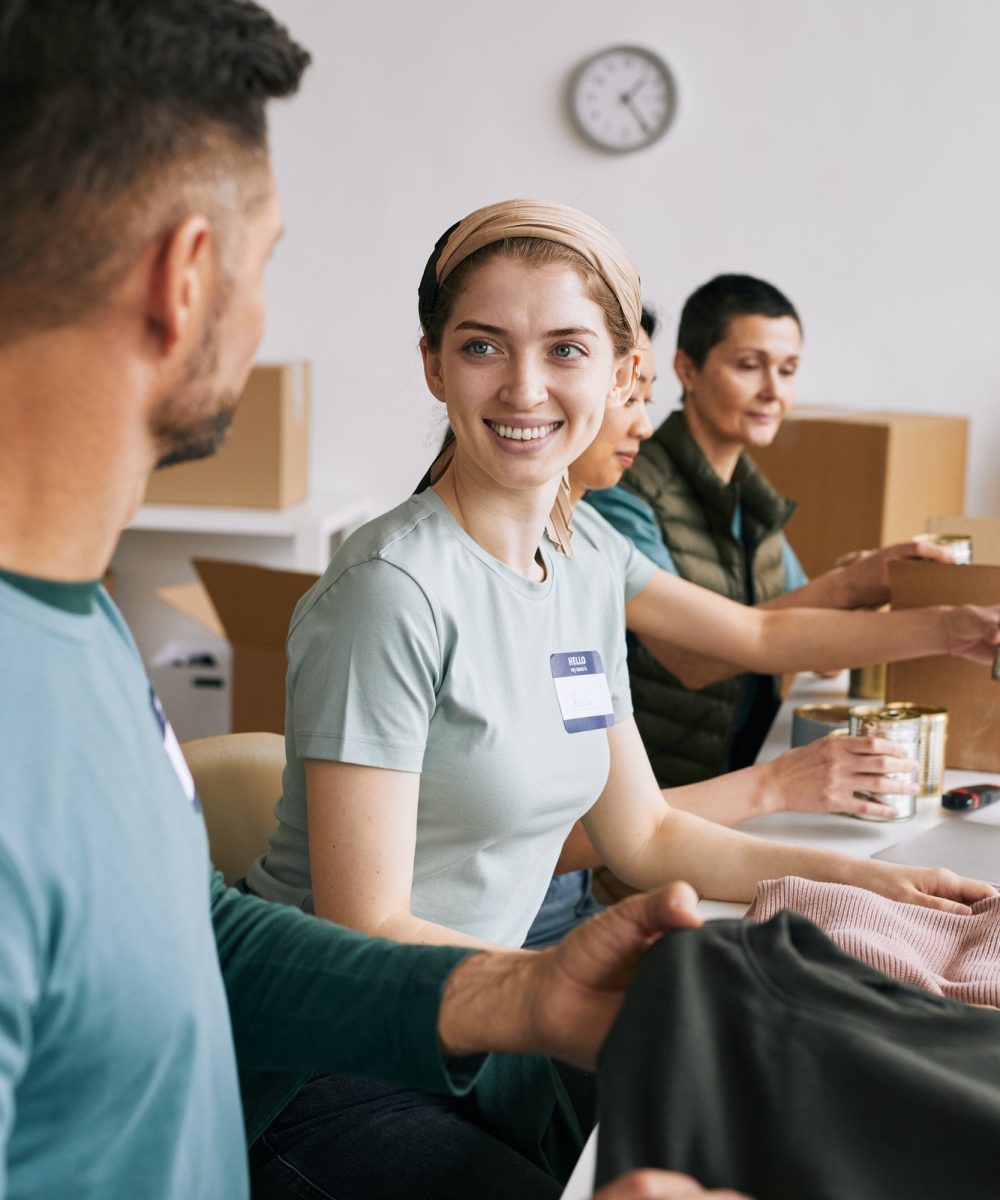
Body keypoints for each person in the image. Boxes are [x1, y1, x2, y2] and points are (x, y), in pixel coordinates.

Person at [0, 6, 749, 1200]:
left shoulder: (82, 627)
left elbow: (206, 936)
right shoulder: (373, 590)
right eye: (271, 257)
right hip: (328, 1100)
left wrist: (520, 991)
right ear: (188, 278)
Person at [246, 197, 999, 1192]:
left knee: (782, 1125)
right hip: (345, 1060)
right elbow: (364, 925)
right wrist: (558, 986)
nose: (524, 386)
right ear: (433, 365)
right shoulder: (391, 591)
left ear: (621, 371)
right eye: (482, 347)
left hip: (499, 1030)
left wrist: (869, 884)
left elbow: (642, 834)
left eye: (565, 349)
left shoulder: (581, 558)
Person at [525, 307, 1000, 942]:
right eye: (626, 394)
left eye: (642, 392)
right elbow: (583, 834)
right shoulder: (428, 575)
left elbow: (762, 635)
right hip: (549, 913)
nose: (642, 420)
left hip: (577, 895)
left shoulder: (594, 544)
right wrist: (779, 785)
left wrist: (950, 624)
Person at [591, 278, 960, 789]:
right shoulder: (618, 489)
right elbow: (692, 660)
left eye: (787, 371)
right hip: (660, 789)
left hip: (737, 767)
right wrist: (851, 588)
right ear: (687, 369)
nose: (774, 391)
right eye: (749, 366)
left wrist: (858, 585)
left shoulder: (751, 496)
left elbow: (800, 629)